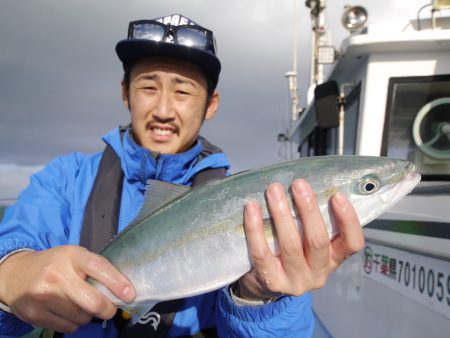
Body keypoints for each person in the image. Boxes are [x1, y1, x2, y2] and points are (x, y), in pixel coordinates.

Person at [0, 14, 364, 338]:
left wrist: (263, 297)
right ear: (125, 93)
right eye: (147, 86)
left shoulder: (247, 205)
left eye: (183, 91)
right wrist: (10, 277)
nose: (162, 109)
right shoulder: (65, 181)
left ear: (212, 104)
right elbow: (16, 245)